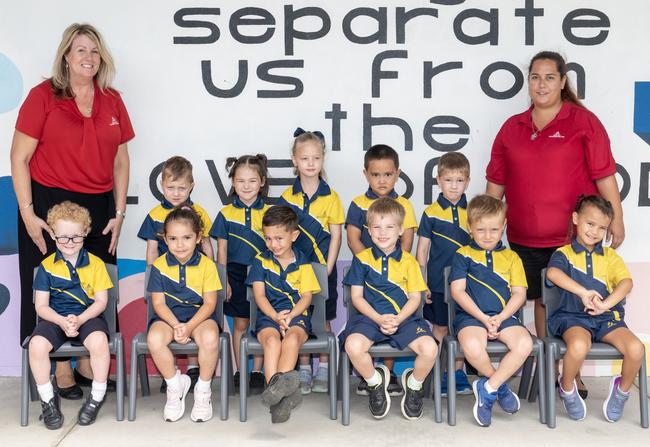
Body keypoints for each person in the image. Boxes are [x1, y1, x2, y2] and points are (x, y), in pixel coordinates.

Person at [486, 51, 624, 398]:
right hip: (522, 237)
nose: (542, 83)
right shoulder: (511, 127)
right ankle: (548, 370)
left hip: (569, 240)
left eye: (550, 77)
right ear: (528, 82)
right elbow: (495, 188)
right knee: (536, 302)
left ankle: (568, 372)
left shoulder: (584, 122)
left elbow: (604, 175)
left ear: (563, 81)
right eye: (535, 77)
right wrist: (486, 225)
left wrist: (617, 219)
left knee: (564, 305)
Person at [11, 22, 133, 399]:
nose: (88, 57)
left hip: (98, 205)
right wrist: (29, 213)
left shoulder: (112, 99)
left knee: (94, 286)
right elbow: (19, 157)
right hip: (48, 204)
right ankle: (60, 369)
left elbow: (121, 162)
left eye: (94, 51)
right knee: (53, 286)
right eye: (80, 50)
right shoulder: (43, 95)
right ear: (66, 55)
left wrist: (118, 212)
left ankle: (86, 364)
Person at [546, 195, 644, 423]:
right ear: (576, 218)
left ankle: (622, 391)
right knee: (579, 346)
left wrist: (606, 305)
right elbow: (553, 274)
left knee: (636, 349)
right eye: (590, 224)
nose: (595, 232)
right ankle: (568, 388)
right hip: (572, 318)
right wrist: (583, 292)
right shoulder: (564, 254)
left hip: (605, 318)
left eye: (602, 228)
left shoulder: (610, 257)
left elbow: (626, 283)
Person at [341, 198, 437, 420]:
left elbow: (415, 298)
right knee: (353, 346)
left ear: (401, 230)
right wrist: (378, 318)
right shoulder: (362, 259)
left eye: (389, 227)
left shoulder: (410, 262)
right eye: (376, 227)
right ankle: (375, 383)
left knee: (430, 349)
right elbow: (356, 297)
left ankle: (413, 385)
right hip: (369, 319)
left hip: (405, 319)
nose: (382, 233)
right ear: (368, 230)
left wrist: (397, 318)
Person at [449, 195, 533, 427]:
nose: (488, 236)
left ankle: (488, 388)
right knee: (473, 346)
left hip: (504, 317)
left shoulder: (512, 257)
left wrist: (501, 317)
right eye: (481, 229)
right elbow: (458, 291)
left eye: (494, 229)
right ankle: (500, 386)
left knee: (524, 344)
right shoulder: (462, 255)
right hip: (472, 318)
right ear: (470, 227)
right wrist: (484, 318)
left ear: (504, 226)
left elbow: (519, 294)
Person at [29, 201, 113, 428]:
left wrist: (81, 319)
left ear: (85, 233)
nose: (69, 243)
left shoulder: (96, 264)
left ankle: (96, 397)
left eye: (76, 237)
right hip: (55, 318)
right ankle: (48, 401)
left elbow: (101, 301)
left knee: (99, 342)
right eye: (62, 237)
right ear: (53, 235)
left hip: (88, 317)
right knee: (36, 345)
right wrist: (60, 320)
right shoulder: (46, 267)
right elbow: (41, 306)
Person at [346, 144, 418, 396]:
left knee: (393, 317)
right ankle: (372, 375)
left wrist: (396, 270)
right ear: (366, 174)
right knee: (369, 323)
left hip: (397, 277)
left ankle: (390, 374)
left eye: (387, 174)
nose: (382, 180)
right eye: (375, 175)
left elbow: (407, 242)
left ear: (397, 174)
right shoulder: (357, 204)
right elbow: (353, 239)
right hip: (367, 276)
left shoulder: (405, 206)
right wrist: (370, 266)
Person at [138, 156, 213, 392]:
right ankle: (171, 374)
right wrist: (151, 279)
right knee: (167, 322)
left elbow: (208, 246)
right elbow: (151, 249)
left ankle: (193, 369)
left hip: (195, 280)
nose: (176, 193)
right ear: (162, 185)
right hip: (165, 280)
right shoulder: (154, 215)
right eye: (171, 187)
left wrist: (211, 273)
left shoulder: (199, 213)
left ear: (191, 186)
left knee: (194, 318)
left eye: (182, 188)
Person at [279, 128, 344, 394]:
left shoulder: (332, 197)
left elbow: (337, 236)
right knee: (299, 319)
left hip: (322, 269)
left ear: (323, 159)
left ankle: (325, 370)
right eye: (304, 159)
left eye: (315, 158)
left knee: (323, 319)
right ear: (294, 160)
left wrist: (328, 268)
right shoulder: (287, 197)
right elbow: (282, 235)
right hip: (295, 273)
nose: (310, 164)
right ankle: (304, 370)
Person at [246, 205, 321, 423]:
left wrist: (289, 316)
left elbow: (306, 297)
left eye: (279, 238)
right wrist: (276, 317)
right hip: (268, 316)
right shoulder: (260, 261)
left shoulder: (303, 261)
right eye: (268, 239)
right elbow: (260, 297)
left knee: (292, 339)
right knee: (271, 341)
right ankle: (280, 398)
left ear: (294, 235)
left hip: (297, 315)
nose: (273, 244)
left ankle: (277, 397)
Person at [146, 206, 222, 423]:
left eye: (186, 237)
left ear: (198, 238)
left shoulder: (208, 265)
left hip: (200, 318)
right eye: (173, 238)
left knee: (209, 339)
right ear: (165, 239)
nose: (180, 244)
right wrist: (177, 324)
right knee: (154, 339)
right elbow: (158, 304)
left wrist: (188, 327)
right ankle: (174, 386)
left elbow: (209, 304)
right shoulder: (159, 266)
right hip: (168, 318)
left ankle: (203, 392)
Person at [210, 154, 269, 394]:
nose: (246, 186)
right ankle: (239, 369)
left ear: (262, 182)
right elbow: (221, 249)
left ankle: (257, 371)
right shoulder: (225, 214)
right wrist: (223, 278)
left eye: (252, 181)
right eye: (241, 181)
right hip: (234, 273)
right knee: (241, 323)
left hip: (263, 274)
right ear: (233, 183)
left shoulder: (270, 212)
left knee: (262, 323)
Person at [416, 152, 472, 396]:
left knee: (461, 329)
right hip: (438, 285)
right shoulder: (430, 213)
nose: (453, 186)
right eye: (448, 180)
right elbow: (422, 251)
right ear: (439, 180)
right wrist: (422, 283)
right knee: (439, 328)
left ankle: (458, 375)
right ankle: (436, 374)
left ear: (467, 182)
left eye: (459, 181)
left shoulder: (474, 213)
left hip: (468, 287)